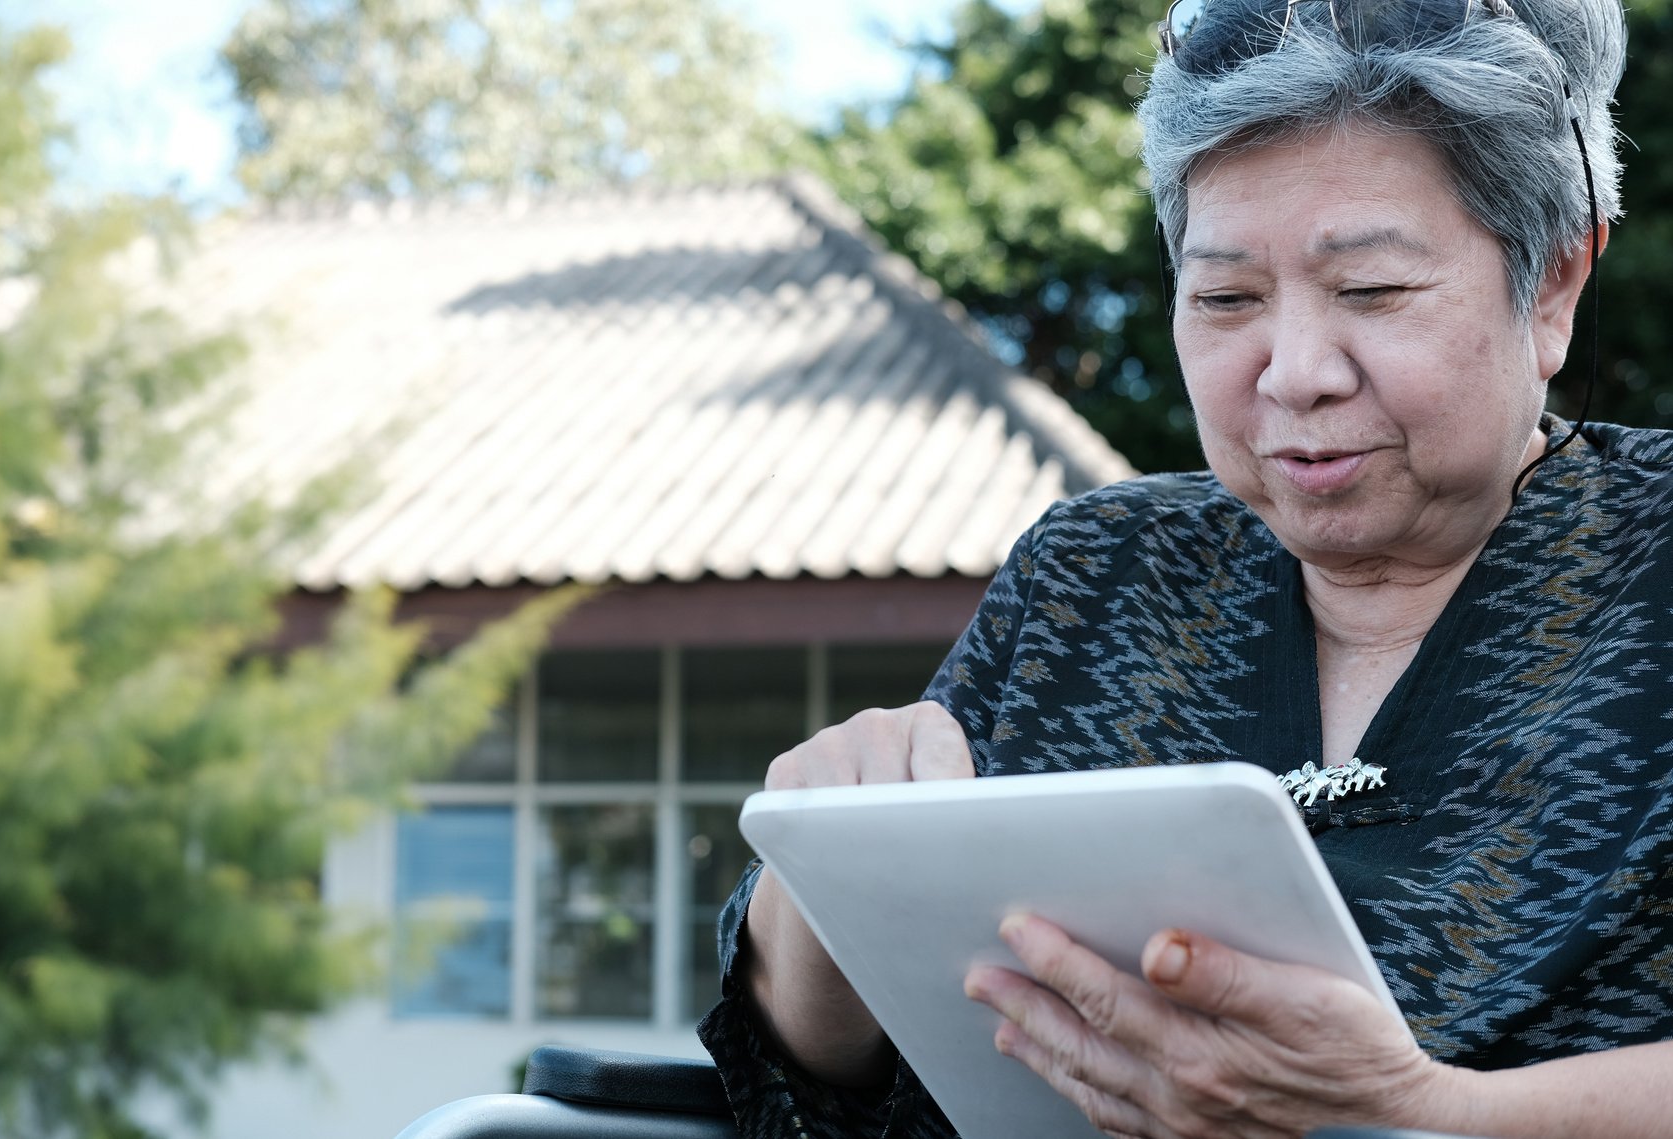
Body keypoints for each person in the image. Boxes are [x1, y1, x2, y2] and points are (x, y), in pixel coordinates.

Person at [699, 0, 1673, 1134]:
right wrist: (826, 871)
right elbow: (810, 1067)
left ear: (1551, 282)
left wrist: (1425, 1111)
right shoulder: (1092, 578)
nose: (1294, 372)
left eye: (1370, 291)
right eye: (1226, 299)